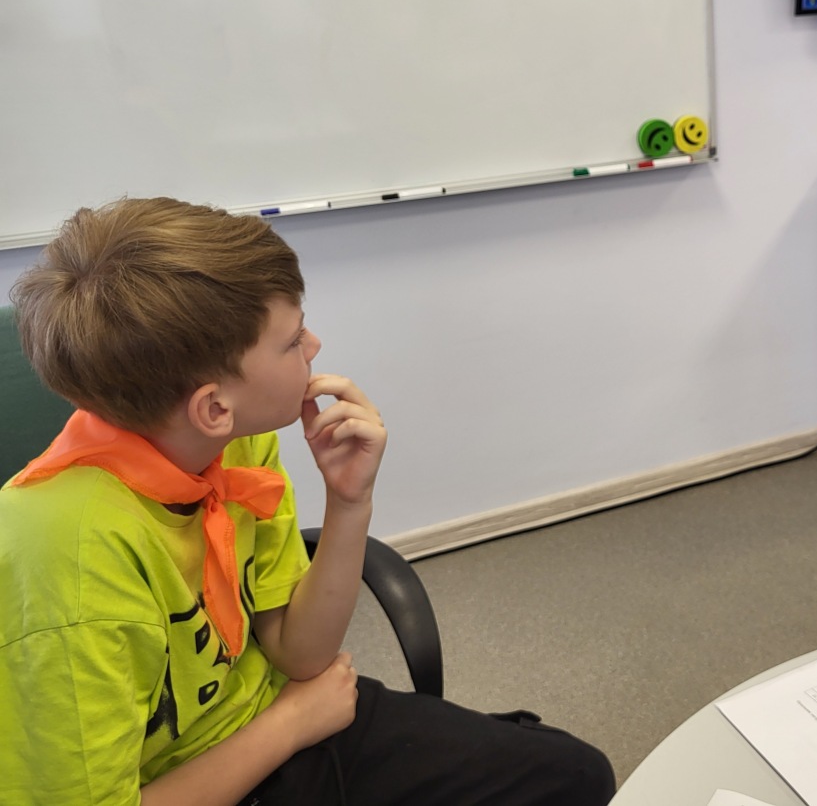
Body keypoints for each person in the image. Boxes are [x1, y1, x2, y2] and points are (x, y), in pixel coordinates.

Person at [0, 197, 615, 805]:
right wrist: (289, 726)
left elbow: (299, 653)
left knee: (576, 776)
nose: (314, 344)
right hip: (207, 769)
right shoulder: (69, 563)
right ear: (213, 407)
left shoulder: (232, 443)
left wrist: (349, 501)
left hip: (274, 713)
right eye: (293, 341)